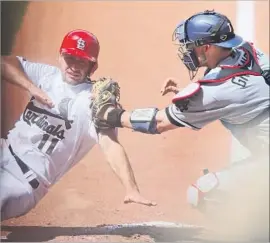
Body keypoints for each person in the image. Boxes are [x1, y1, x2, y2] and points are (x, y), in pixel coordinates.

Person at [91, 10, 269, 214]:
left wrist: (110, 115)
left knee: (204, 194)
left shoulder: (213, 93)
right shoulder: (248, 51)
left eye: (191, 45)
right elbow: (238, 89)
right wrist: (195, 98)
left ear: (207, 47)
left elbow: (159, 123)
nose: (187, 51)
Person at [0, 29, 156, 221]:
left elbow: (110, 144)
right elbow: (4, 63)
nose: (74, 66)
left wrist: (131, 188)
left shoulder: (92, 102)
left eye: (81, 61)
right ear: (60, 57)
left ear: (93, 66)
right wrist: (31, 87)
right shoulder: (46, 75)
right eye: (70, 58)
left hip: (22, 180)